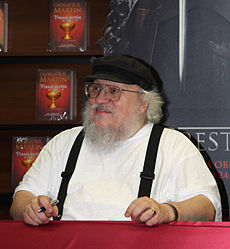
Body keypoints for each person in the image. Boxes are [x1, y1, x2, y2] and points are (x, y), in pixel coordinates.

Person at [10, 54, 221, 226]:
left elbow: (208, 207)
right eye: (95, 89)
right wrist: (30, 208)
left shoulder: (174, 146)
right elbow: (21, 199)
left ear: (142, 103)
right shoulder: (65, 142)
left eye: (113, 91)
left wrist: (167, 211)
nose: (99, 100)